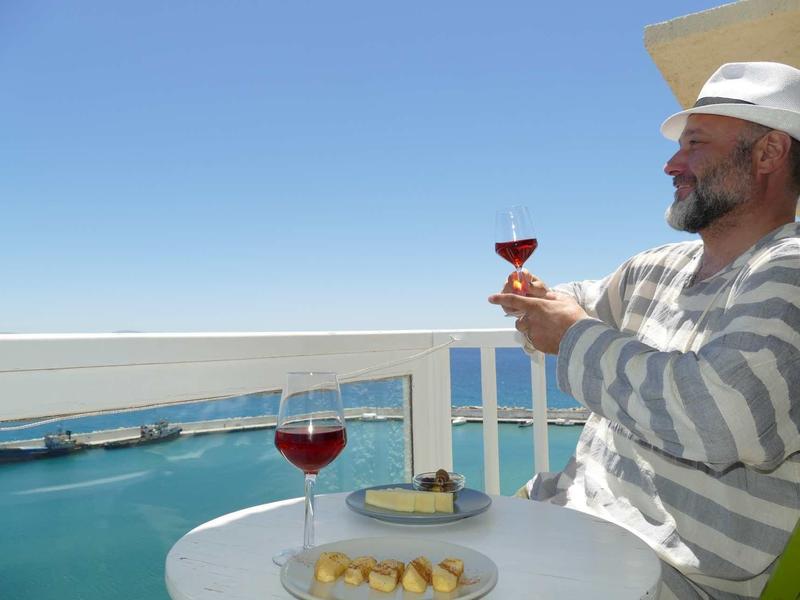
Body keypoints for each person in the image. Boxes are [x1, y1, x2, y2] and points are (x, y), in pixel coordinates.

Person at [489, 61, 800, 599]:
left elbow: (718, 419)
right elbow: (568, 309)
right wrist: (538, 305)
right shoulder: (655, 267)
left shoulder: (788, 270)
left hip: (669, 578)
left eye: (695, 144)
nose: (671, 164)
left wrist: (572, 335)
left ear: (770, 152)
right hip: (569, 525)